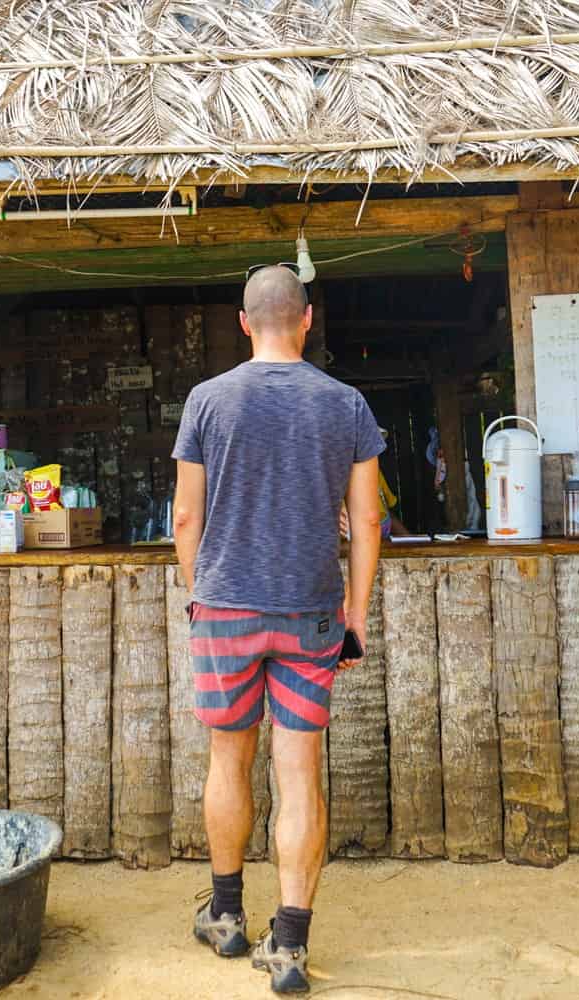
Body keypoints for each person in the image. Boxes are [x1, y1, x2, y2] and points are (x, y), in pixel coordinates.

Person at [172, 265, 385, 994]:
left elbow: (184, 519)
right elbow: (367, 520)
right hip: (311, 611)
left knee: (228, 762)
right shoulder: (345, 404)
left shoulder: (207, 400)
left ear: (243, 322)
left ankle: (226, 916)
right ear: (306, 319)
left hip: (226, 607)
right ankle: (289, 944)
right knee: (300, 774)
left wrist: (196, 591)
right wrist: (354, 612)